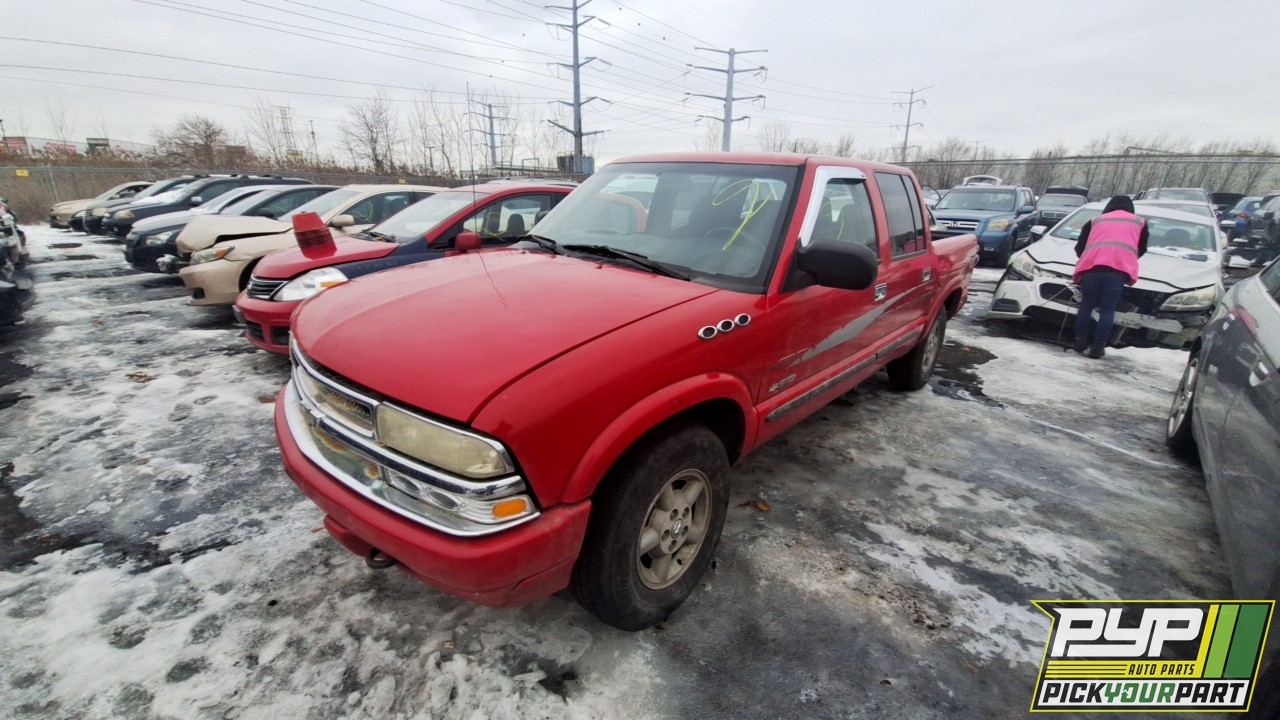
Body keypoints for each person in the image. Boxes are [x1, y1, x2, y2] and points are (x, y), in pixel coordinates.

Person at [1072, 195, 1148, 358]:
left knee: (1086, 305)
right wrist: (1125, 258)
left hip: (1091, 269)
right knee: (1107, 309)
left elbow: (1080, 247)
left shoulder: (1095, 221)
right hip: (1117, 271)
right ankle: (1098, 347)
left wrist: (1090, 258)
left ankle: (1079, 341)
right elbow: (1141, 248)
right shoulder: (1139, 223)